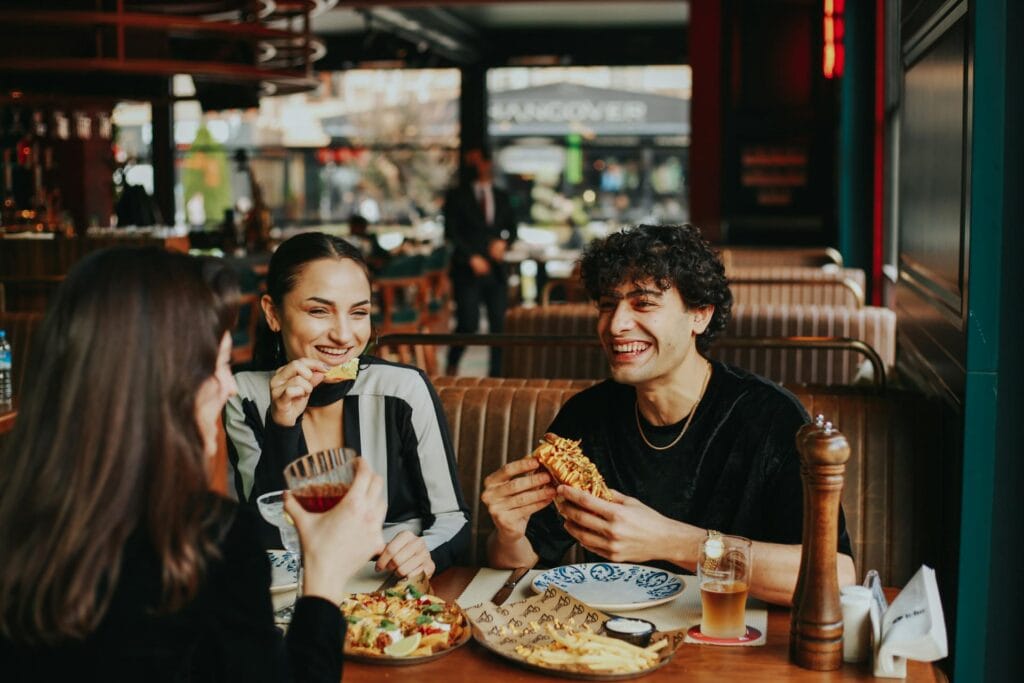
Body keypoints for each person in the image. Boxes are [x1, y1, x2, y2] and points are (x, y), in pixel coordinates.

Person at [0, 247, 387, 682]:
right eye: (218, 366)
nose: (226, 388)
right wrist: (325, 573)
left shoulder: (19, 523)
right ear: (157, 380)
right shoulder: (207, 543)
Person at [480, 224, 855, 606]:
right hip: (610, 644)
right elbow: (521, 560)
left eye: (643, 303)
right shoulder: (587, 417)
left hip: (734, 637)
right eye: (608, 304)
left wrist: (673, 542)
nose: (615, 324)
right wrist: (509, 532)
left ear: (700, 315)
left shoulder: (769, 417)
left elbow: (836, 575)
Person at [225, 232, 470, 579]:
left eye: (358, 313)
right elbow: (268, 538)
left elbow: (452, 519)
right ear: (273, 313)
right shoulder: (245, 398)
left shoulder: (403, 389)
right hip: (297, 594)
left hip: (392, 592)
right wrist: (282, 425)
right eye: (319, 311)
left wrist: (422, 552)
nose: (343, 334)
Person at [443, 147, 517, 376]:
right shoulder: (456, 196)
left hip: (496, 271)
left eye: (478, 162)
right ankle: (452, 365)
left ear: (487, 162)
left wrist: (503, 243)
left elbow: (512, 230)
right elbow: (451, 232)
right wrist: (470, 257)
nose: (475, 167)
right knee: (468, 323)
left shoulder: (502, 195)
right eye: (470, 163)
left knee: (499, 326)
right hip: (467, 270)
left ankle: (497, 374)